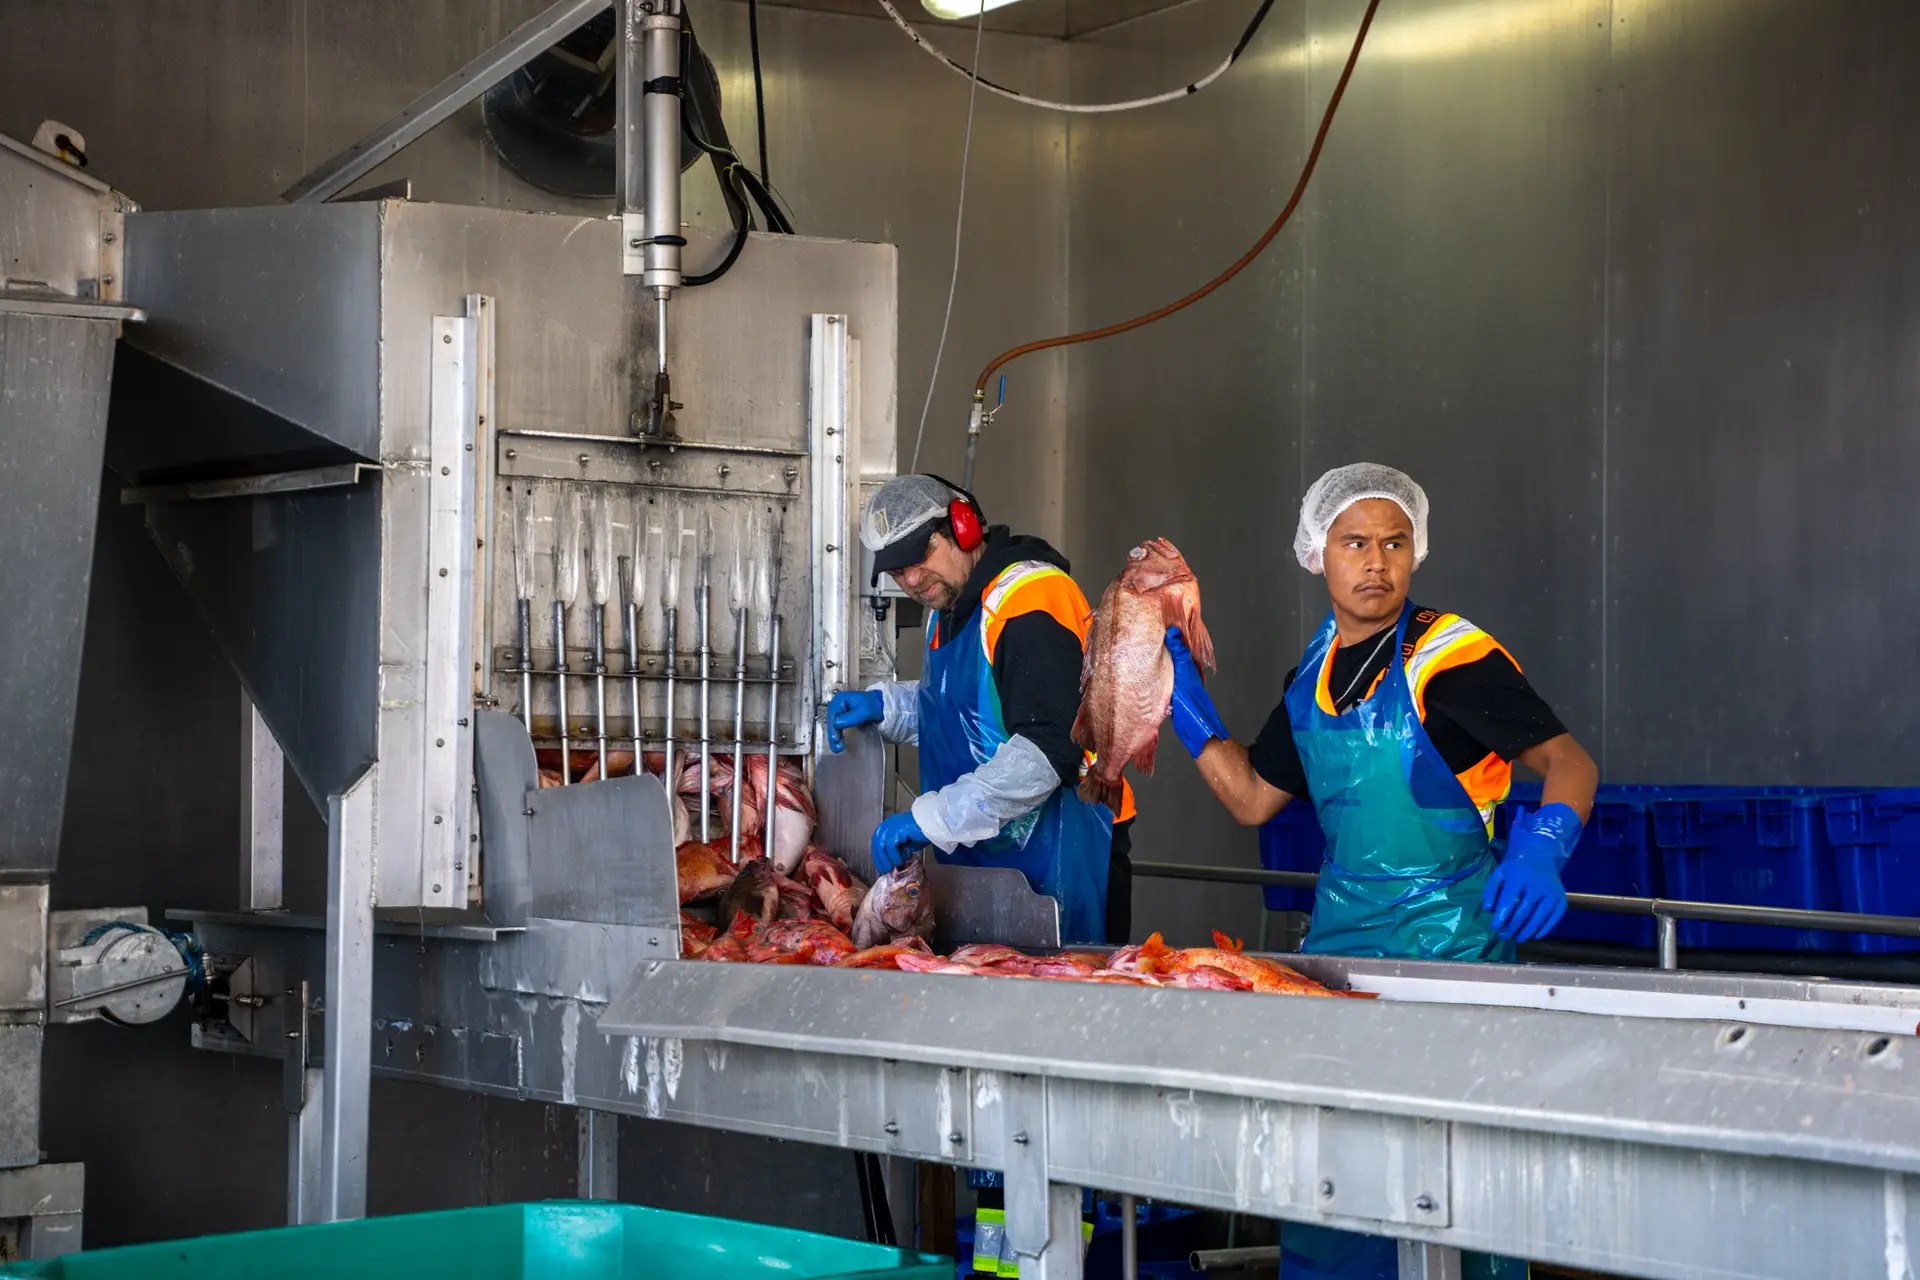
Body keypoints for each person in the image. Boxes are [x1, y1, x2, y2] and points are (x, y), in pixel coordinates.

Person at [1165, 462, 1597, 1280]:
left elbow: (1568, 761)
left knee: (1457, 1185)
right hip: (1341, 962)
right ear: (1316, 554)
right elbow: (1252, 797)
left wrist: (1543, 847)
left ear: (1416, 552)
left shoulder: (1450, 655)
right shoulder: (1313, 672)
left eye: (1395, 544)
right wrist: (1181, 700)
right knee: (1336, 1183)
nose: (1376, 562)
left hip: (1453, 961)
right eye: (1354, 543)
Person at [823, 474, 1134, 945]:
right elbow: (968, 711)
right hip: (986, 862)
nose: (911, 580)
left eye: (920, 556)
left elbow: (1049, 750)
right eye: (898, 572)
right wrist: (886, 707)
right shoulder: (949, 606)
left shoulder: (1030, 598)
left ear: (964, 527)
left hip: (1062, 853)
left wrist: (931, 819)